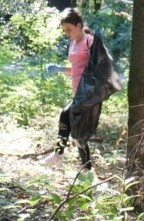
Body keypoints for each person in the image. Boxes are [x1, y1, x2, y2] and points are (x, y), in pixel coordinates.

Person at [41, 7, 122, 169]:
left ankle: (63, 157)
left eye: (69, 29)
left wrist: (99, 88)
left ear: (79, 25)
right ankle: (83, 168)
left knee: (74, 127)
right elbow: (77, 69)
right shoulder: (73, 43)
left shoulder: (90, 41)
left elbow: (102, 67)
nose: (67, 33)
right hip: (78, 93)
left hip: (89, 95)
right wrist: (60, 68)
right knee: (78, 132)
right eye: (65, 30)